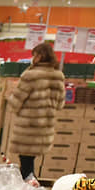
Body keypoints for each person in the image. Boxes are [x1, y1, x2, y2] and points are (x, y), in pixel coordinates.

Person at [7, 42, 66, 180]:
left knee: (25, 160)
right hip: (45, 125)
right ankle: (29, 184)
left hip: (29, 125)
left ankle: (29, 187)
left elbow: (17, 100)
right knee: (29, 159)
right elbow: (60, 104)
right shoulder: (58, 75)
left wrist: (9, 98)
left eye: (34, 55)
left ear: (39, 56)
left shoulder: (31, 75)